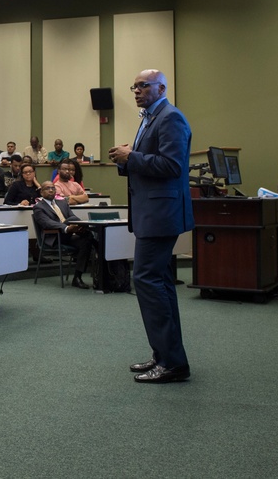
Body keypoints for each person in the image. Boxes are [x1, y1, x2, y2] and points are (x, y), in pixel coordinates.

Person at [108, 69, 193, 385]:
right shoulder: (149, 118)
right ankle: (165, 356)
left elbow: (172, 166)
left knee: (145, 279)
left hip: (161, 214)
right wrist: (126, 160)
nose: (137, 91)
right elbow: (147, 161)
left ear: (161, 87)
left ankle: (172, 362)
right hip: (153, 213)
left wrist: (132, 157)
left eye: (143, 86)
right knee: (158, 282)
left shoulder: (171, 118)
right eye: (134, 87)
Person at [33, 180, 95, 289]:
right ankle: (95, 240)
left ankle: (77, 277)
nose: (51, 190)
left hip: (68, 235)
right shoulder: (39, 207)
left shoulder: (62, 203)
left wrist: (77, 227)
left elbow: (72, 216)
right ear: (41, 193)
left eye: (53, 188)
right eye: (48, 188)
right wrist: (66, 228)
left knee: (86, 240)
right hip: (54, 237)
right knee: (77, 224)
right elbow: (48, 223)